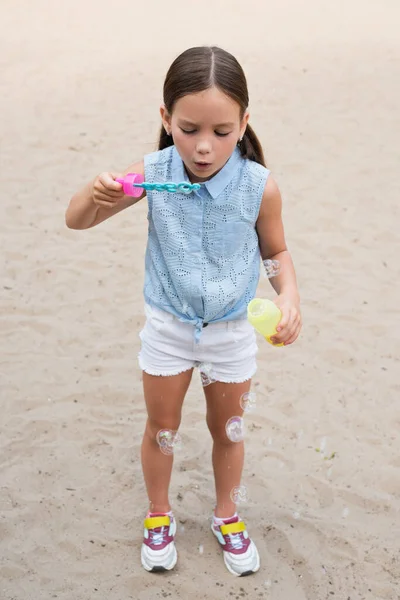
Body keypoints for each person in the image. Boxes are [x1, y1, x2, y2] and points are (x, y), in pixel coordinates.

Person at [65, 45, 302, 577]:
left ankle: (227, 515)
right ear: (166, 118)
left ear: (244, 123)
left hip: (231, 331)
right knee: (161, 427)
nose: (202, 147)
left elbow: (276, 252)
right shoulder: (152, 174)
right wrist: (97, 191)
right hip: (169, 328)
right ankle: (158, 513)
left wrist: (288, 297)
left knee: (230, 430)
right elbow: (76, 220)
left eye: (221, 132)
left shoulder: (259, 185)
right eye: (189, 128)